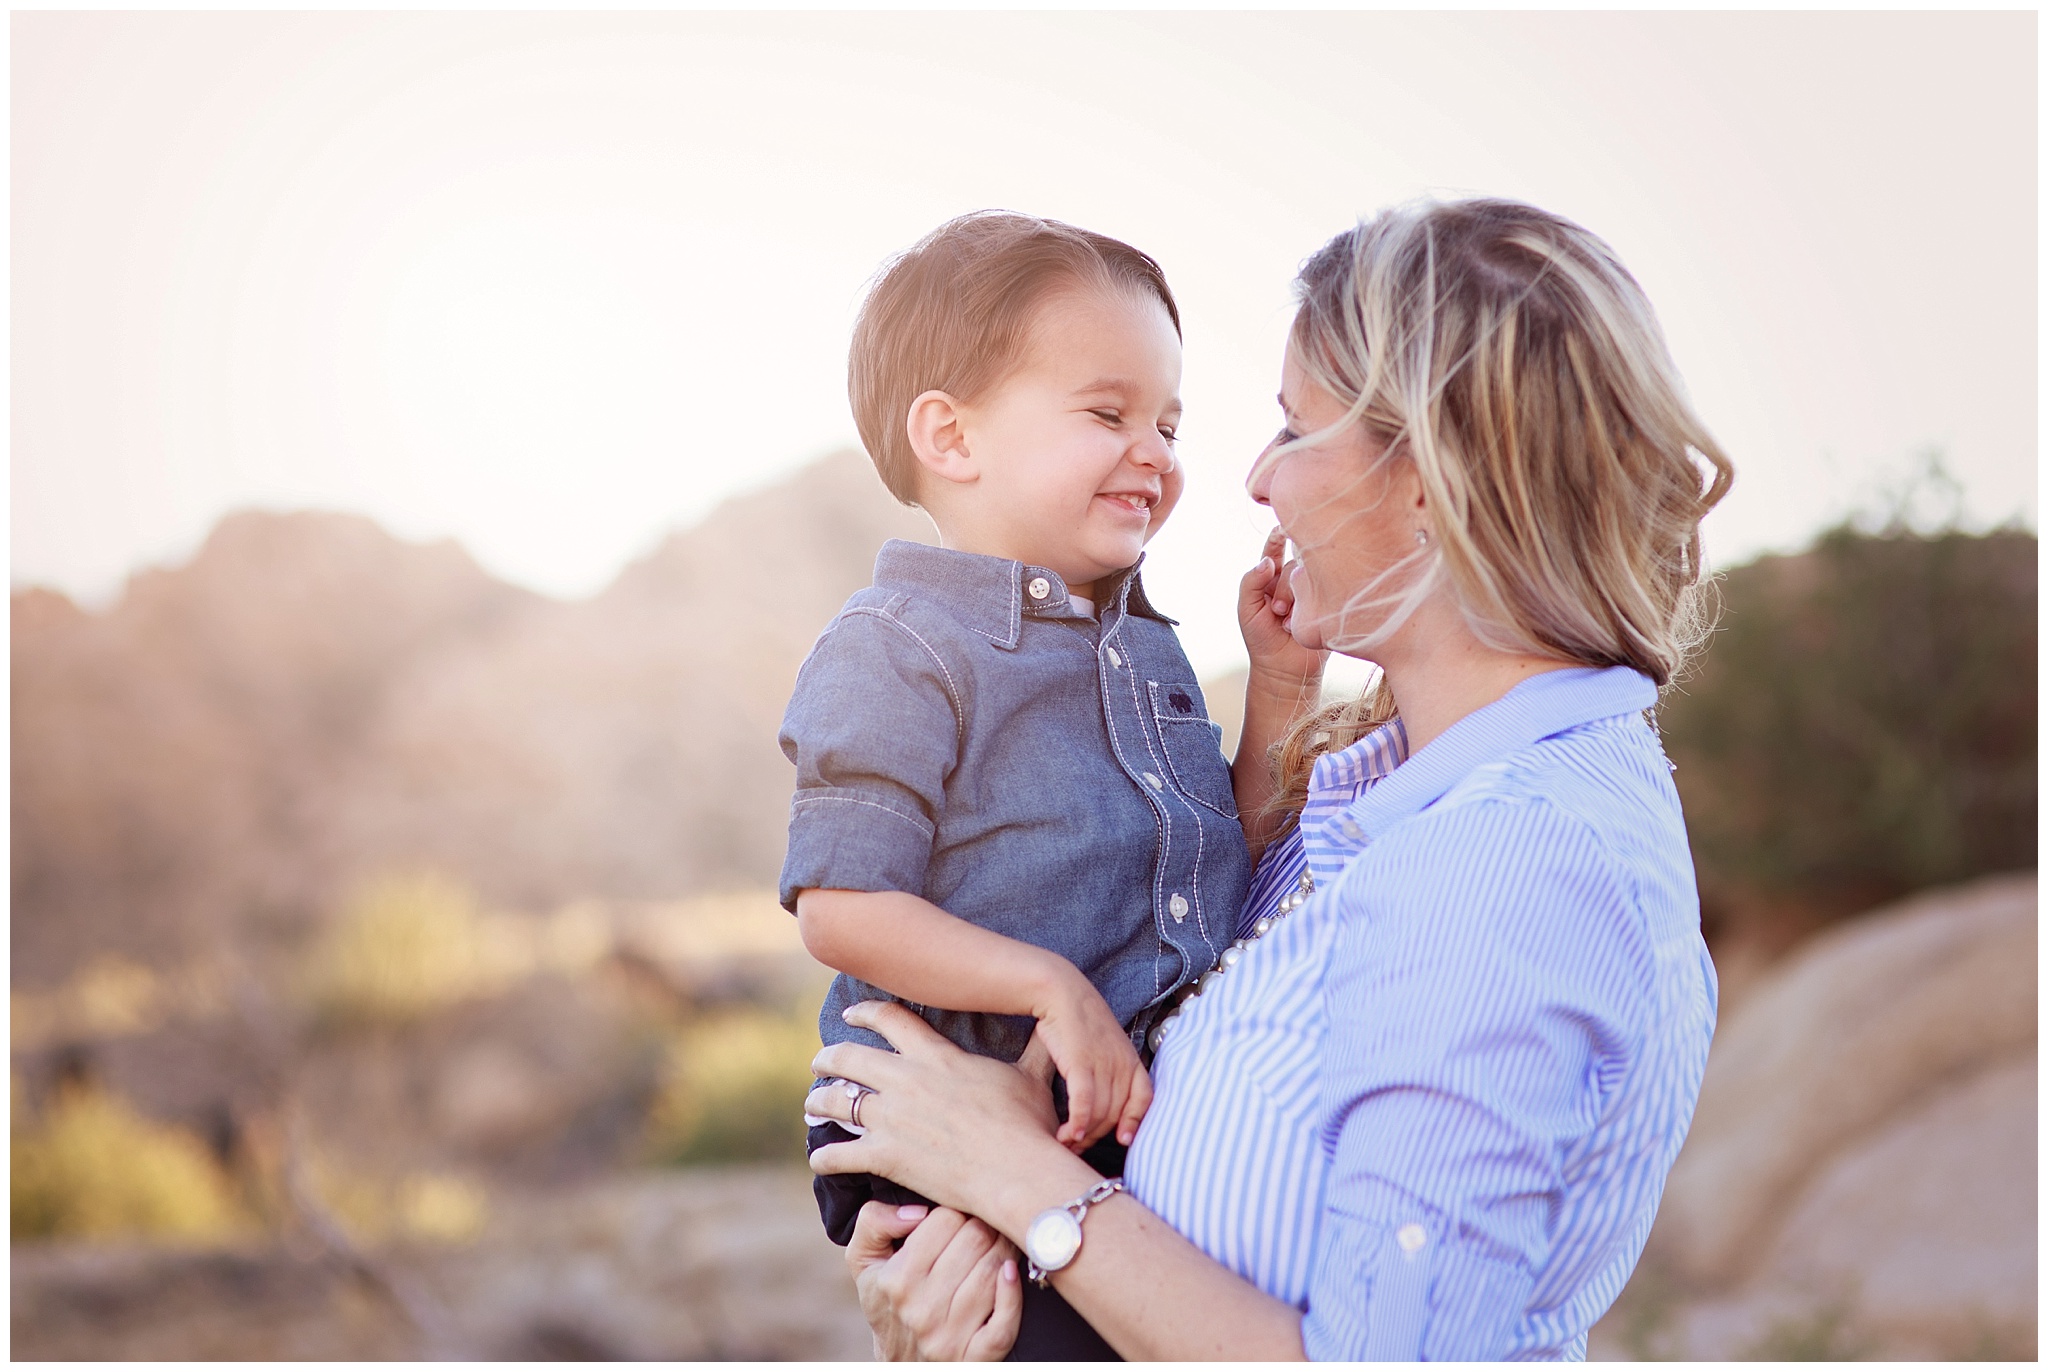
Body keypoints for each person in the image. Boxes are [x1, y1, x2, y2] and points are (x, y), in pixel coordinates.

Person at [803, 196, 1736, 1360]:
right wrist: (940, 1296)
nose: (1251, 478)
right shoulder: (1381, 804)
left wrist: (1017, 1178)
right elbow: (1169, 914)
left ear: (1424, 476)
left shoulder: (1512, 859)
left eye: (1292, 430)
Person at [778, 212, 1320, 1357]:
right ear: (950, 436)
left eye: (1168, 421)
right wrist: (1047, 986)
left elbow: (1221, 858)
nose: (1158, 452)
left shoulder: (1149, 646)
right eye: (1106, 413)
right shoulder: (896, 644)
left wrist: (1278, 684)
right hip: (939, 1126)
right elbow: (839, 905)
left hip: (1098, 1126)